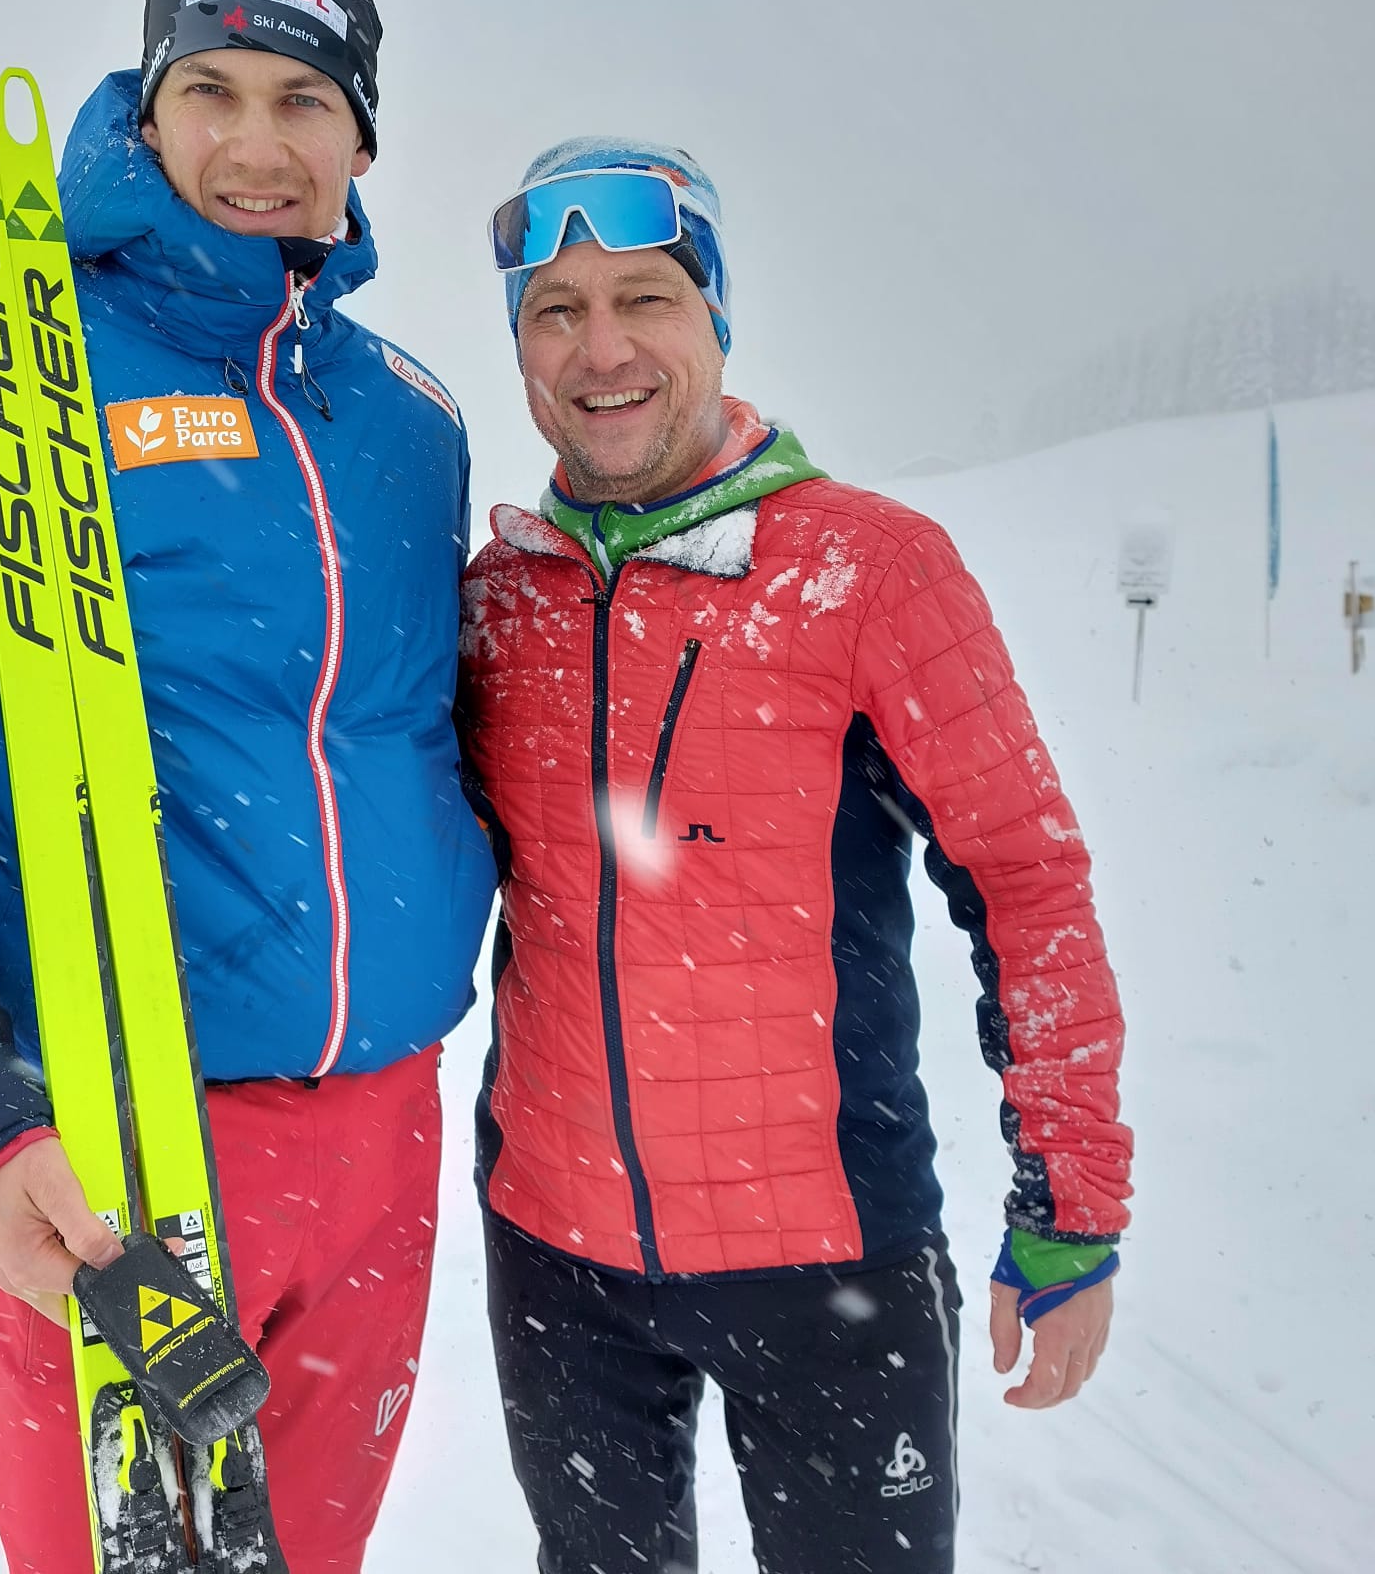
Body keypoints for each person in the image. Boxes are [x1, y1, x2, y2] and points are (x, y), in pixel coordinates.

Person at [0, 0, 494, 1574]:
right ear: (148, 106)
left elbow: (423, 739)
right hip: (125, 1142)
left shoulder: (407, 421)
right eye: (210, 88)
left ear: (363, 138)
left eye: (304, 99)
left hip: (384, 1137)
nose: (256, 144)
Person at [457, 139, 1133, 1574]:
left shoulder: (869, 570)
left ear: (716, 318)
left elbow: (1024, 883)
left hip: (828, 1264)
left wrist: (1068, 1204)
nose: (602, 349)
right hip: (559, 1261)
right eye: (556, 310)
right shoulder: (500, 601)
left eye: (645, 298)